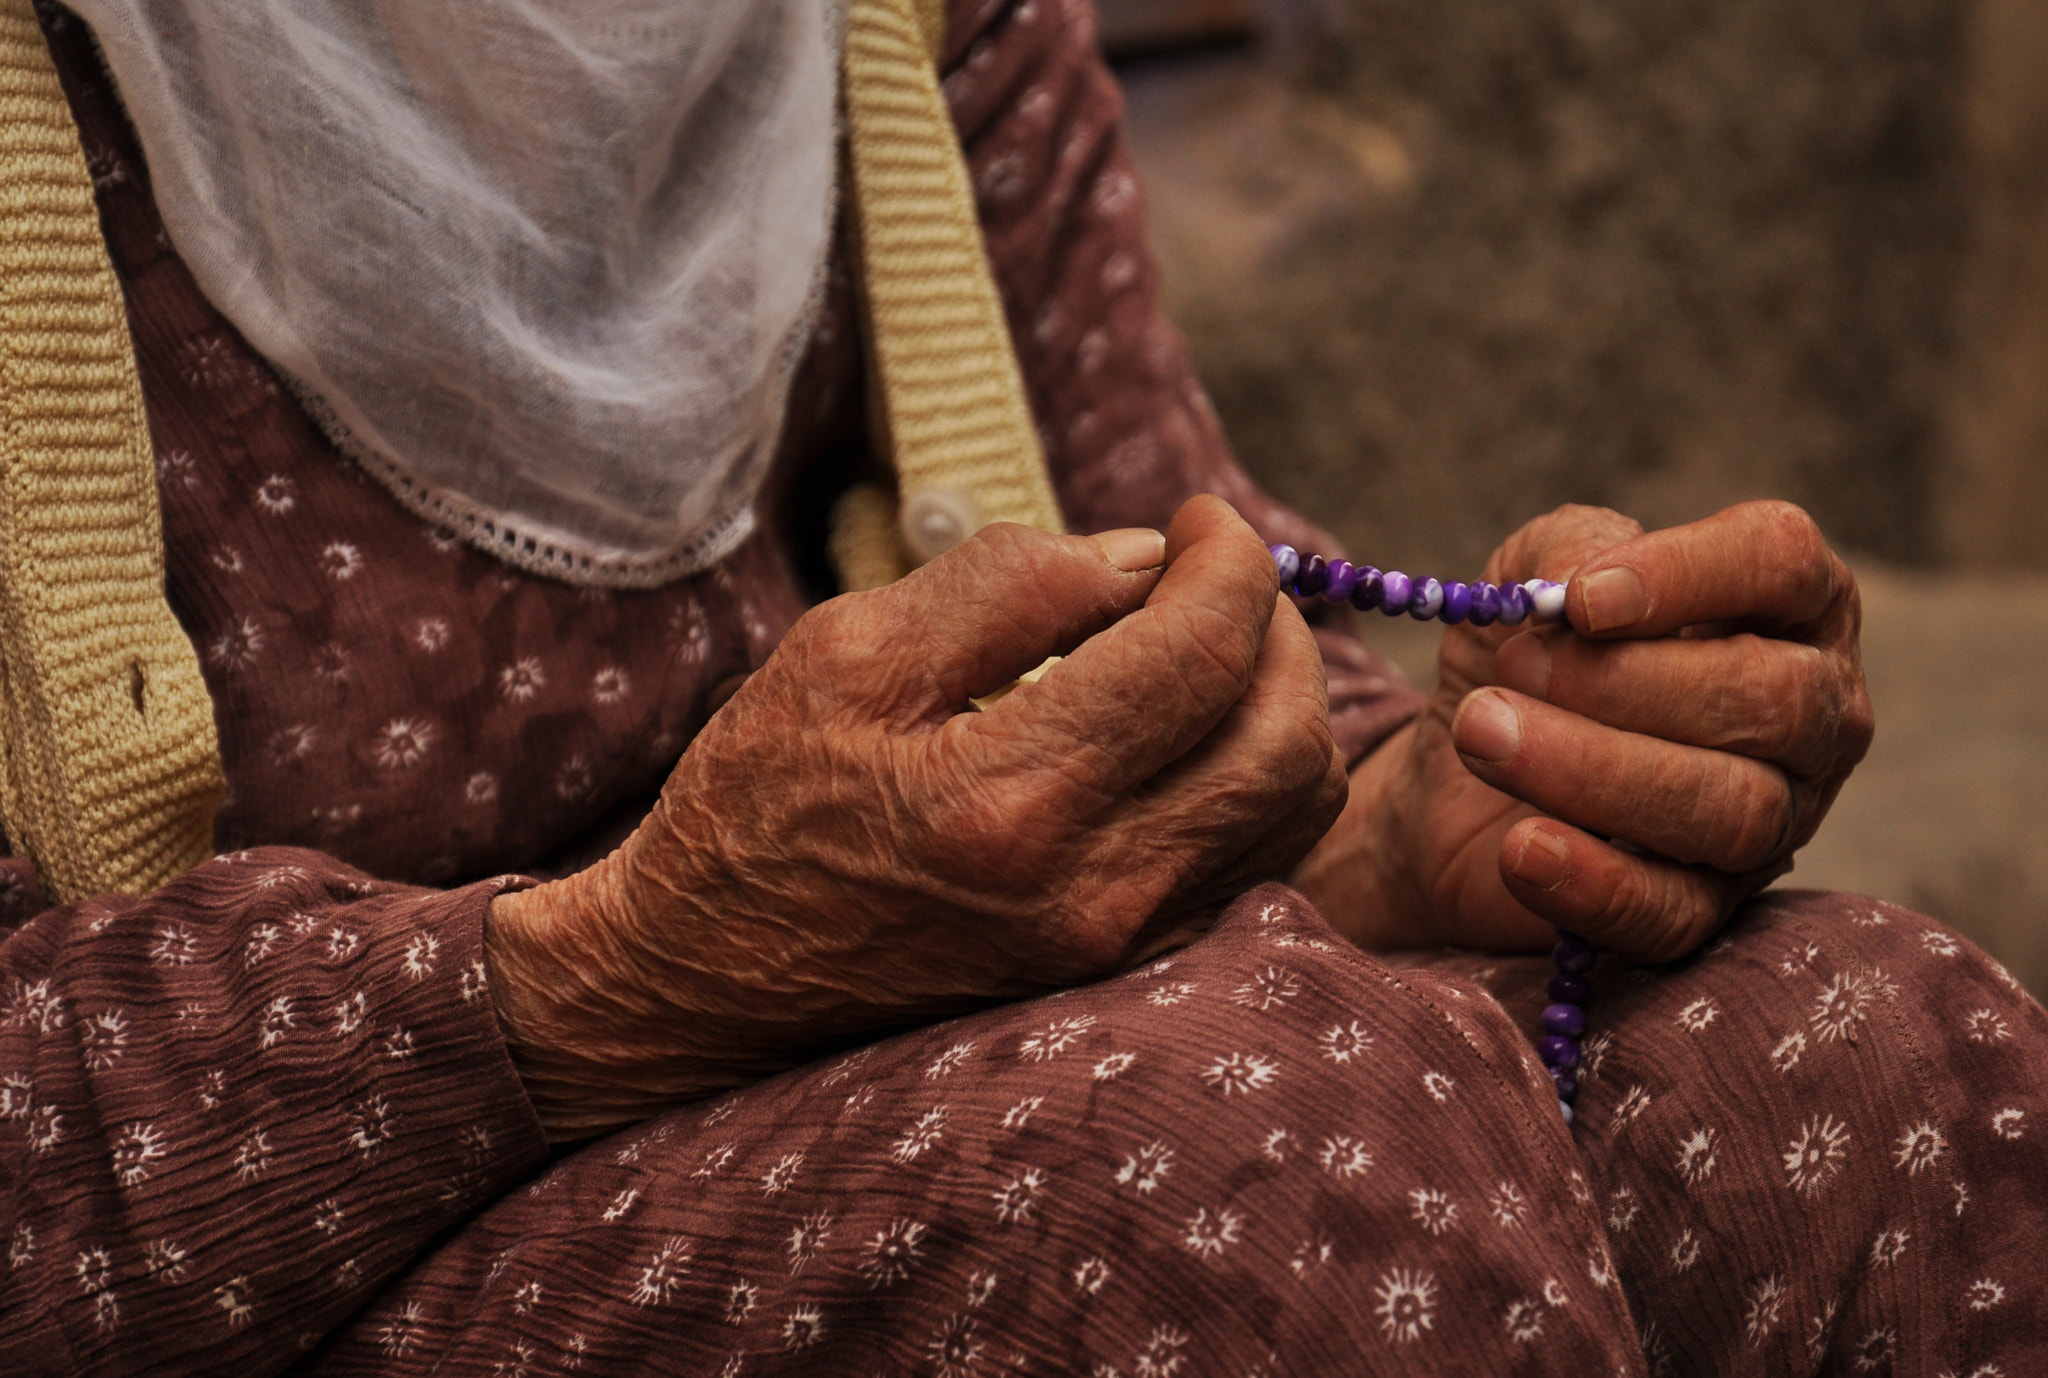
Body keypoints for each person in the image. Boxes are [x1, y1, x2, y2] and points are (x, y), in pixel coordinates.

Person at [1, 1, 2041, 1374]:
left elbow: (1155, 539)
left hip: (888, 1064)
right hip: (272, 1231)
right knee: (1281, 1153)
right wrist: (626, 971)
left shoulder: (890, 26)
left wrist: (1405, 814)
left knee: (1864, 1050)